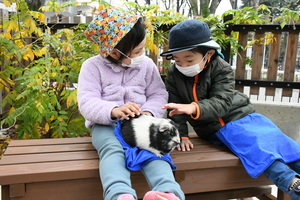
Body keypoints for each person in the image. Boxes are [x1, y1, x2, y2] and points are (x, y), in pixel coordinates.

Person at [160, 19, 300, 200]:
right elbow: (175, 108)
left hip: (245, 116)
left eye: (189, 59)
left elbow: (222, 102)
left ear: (208, 54)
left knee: (281, 141)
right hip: (220, 128)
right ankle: (292, 184)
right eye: (178, 60)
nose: (184, 65)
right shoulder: (173, 74)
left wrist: (193, 107)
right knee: (258, 150)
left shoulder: (221, 68)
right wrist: (182, 135)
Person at [78, 7, 184, 200]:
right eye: (136, 51)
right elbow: (87, 102)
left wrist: (149, 113)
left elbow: (158, 93)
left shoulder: (147, 65)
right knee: (113, 152)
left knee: (155, 150)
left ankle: (168, 193)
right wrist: (114, 110)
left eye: (142, 48)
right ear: (114, 52)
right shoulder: (92, 67)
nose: (142, 54)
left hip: (141, 123)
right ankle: (120, 194)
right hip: (106, 126)